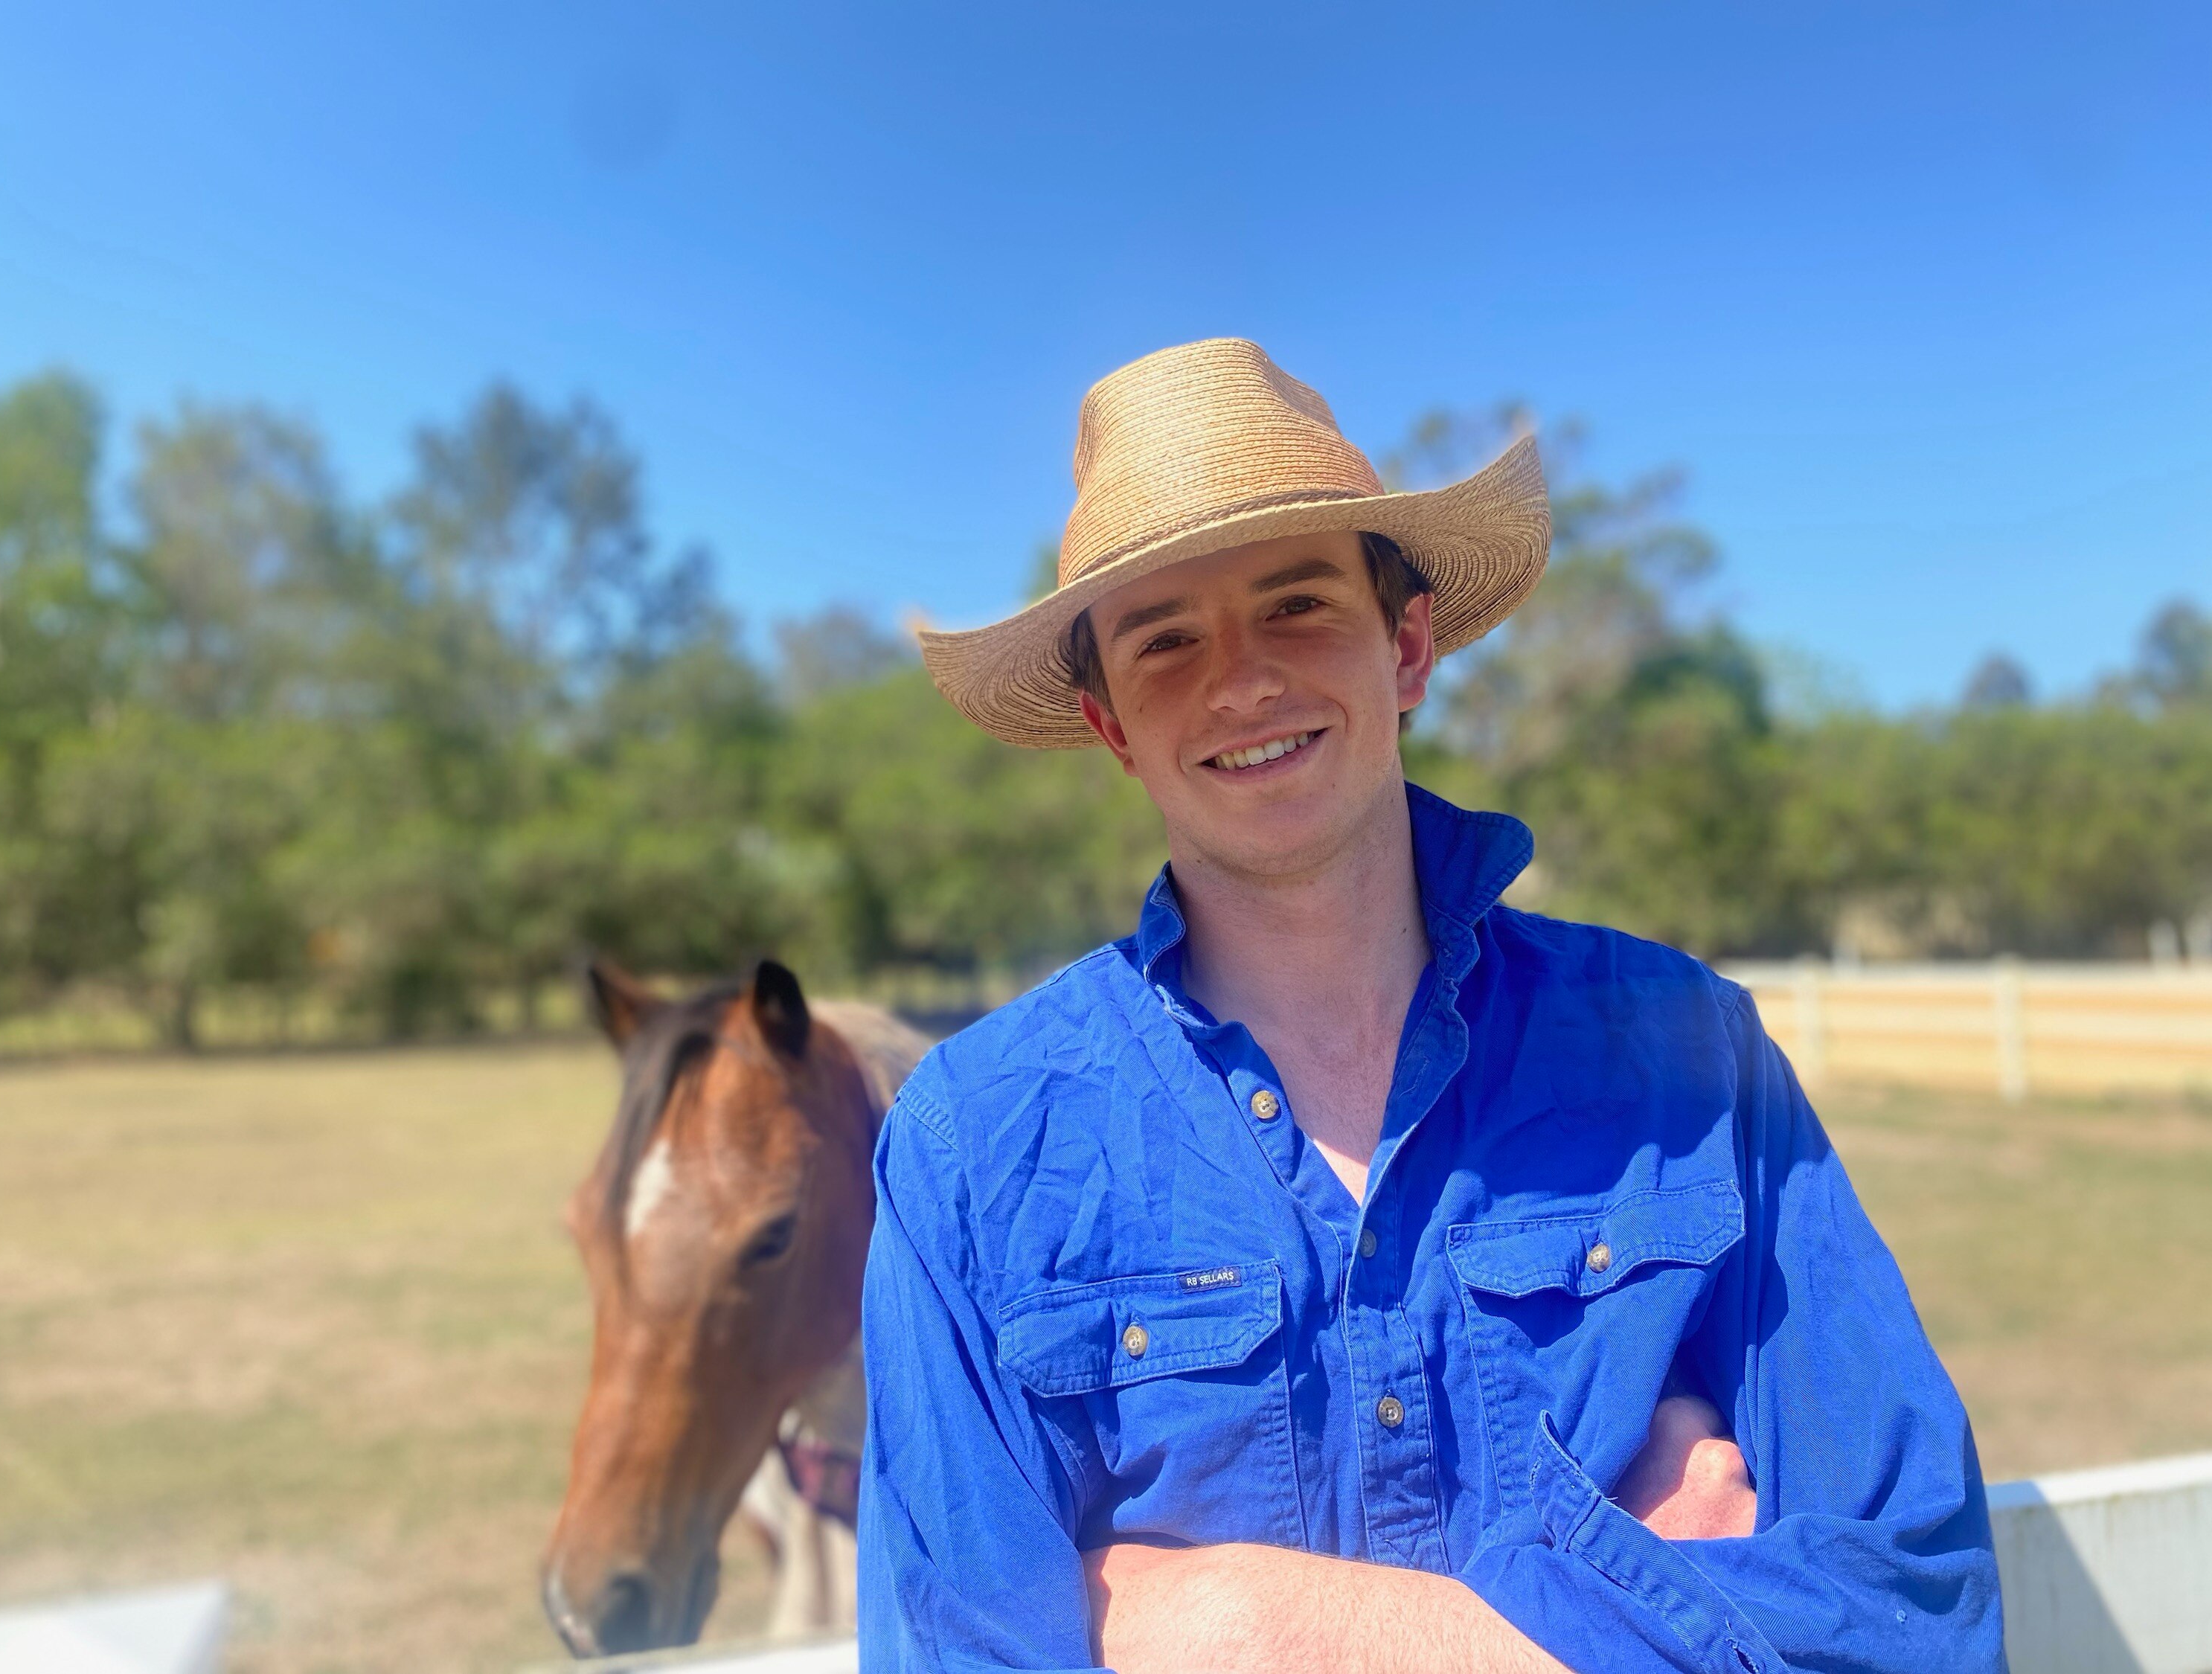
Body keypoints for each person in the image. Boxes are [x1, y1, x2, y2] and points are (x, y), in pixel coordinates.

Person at [858, 338, 2002, 1673]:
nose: (1240, 680)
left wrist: (1255, 1628)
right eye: (1165, 640)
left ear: (1407, 646)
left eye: (1296, 605)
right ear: (1111, 723)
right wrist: (1634, 1619)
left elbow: (1919, 1607)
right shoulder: (971, 1148)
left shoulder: (1689, 1058)